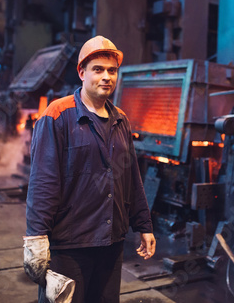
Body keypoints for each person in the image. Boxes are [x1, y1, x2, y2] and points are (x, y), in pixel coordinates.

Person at [23, 36, 156, 303]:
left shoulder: (121, 119)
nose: (106, 76)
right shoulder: (57, 115)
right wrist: (36, 237)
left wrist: (144, 224)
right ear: (82, 73)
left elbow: (131, 178)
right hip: (70, 245)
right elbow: (43, 182)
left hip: (111, 243)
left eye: (112, 70)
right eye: (98, 69)